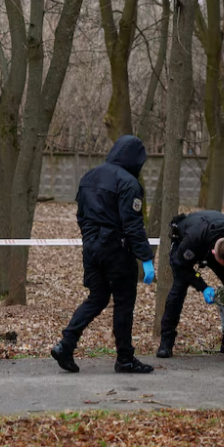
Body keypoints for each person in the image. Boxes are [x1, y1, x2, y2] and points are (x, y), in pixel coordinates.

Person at [52, 135, 156, 374]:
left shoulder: (89, 176)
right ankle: (125, 359)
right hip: (117, 251)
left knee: (97, 298)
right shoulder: (129, 183)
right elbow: (132, 225)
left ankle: (66, 344)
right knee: (123, 303)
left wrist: (90, 239)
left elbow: (81, 215)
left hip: (91, 248)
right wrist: (146, 258)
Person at [156, 210, 224, 358]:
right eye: (221, 264)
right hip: (186, 243)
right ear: (213, 253)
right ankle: (166, 342)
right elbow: (181, 266)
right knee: (178, 290)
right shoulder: (193, 239)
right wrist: (203, 287)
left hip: (215, 242)